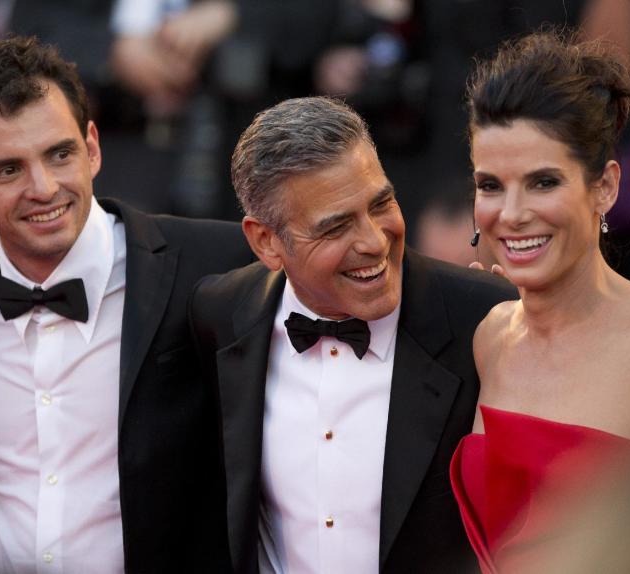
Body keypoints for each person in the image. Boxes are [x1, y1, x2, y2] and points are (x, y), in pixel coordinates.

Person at [0, 36, 253, 573]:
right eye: (8, 170)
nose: (44, 188)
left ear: (93, 148)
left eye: (60, 154)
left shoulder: (216, 265)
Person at [189, 96, 516, 573]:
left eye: (381, 203)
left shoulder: (487, 319)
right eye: (336, 226)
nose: (373, 241)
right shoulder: (220, 316)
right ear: (266, 242)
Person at [449, 31, 630, 573]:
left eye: (543, 182)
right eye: (490, 185)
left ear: (605, 188)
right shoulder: (489, 338)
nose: (512, 213)